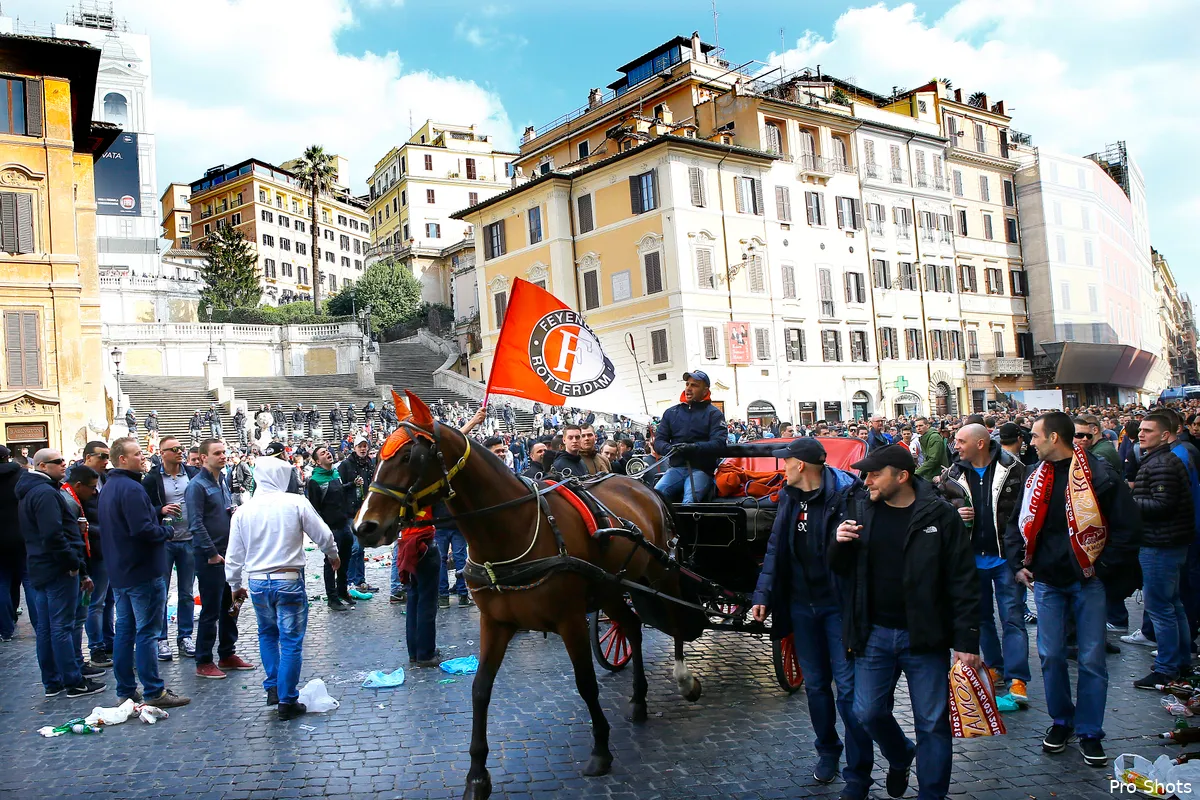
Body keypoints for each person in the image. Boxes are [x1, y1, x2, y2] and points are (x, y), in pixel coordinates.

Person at [829, 445, 981, 800]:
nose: (866, 481)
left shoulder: (940, 515)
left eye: (874, 474)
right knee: (866, 712)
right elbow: (839, 569)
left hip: (925, 637)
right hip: (874, 634)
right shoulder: (861, 508)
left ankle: (931, 795)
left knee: (932, 724)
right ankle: (900, 754)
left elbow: (963, 580)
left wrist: (967, 641)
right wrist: (838, 544)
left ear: (902, 476)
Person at [1004, 411, 1139, 767]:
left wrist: (1104, 566)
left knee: (1092, 658)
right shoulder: (1036, 476)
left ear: (1053, 438)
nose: (1030, 442)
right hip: (1047, 582)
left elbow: (1126, 527)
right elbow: (1018, 522)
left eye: (1035, 436)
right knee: (1050, 655)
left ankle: (1090, 730)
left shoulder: (1099, 474)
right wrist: (1019, 564)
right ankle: (1062, 721)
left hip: (1088, 581)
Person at [750, 439, 872, 800]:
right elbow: (775, 548)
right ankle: (827, 751)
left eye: (784, 462)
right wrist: (763, 595)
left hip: (838, 606)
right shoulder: (789, 495)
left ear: (800, 465)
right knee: (817, 686)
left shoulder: (849, 493)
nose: (780, 468)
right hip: (801, 606)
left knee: (848, 691)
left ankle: (857, 773)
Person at [226, 453, 337, 719]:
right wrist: (332, 554)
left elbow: (233, 555)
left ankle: (274, 686)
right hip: (287, 579)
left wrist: (234, 584)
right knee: (290, 641)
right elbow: (323, 534)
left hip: (257, 582)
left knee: (267, 634)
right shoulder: (295, 502)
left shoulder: (244, 511)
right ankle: (287, 699)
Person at [940, 424, 1030, 706]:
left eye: (961, 441)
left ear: (980, 443)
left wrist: (1023, 556)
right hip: (970, 558)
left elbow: (1026, 511)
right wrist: (955, 511)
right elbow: (938, 503)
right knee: (981, 618)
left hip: (1005, 557)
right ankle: (993, 666)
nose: (956, 446)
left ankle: (1017, 679)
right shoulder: (952, 473)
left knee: (1012, 618)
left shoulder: (1014, 468)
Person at [98, 438, 191, 707]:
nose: (143, 457)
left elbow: (127, 520)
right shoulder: (132, 487)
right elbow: (142, 530)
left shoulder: (111, 486)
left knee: (126, 631)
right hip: (142, 571)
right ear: (122, 459)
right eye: (137, 454)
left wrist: (154, 511)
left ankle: (126, 689)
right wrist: (167, 531)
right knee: (148, 632)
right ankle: (154, 690)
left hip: (121, 571)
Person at [18, 449, 106, 698]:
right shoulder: (46, 493)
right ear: (43, 466)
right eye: (58, 462)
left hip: (41, 565)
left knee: (47, 627)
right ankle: (73, 681)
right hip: (57, 568)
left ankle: (53, 681)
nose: (63, 465)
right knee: (61, 626)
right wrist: (73, 563)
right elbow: (53, 535)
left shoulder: (33, 491)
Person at [1130, 412, 1195, 688]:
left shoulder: (1163, 463)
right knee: (1172, 605)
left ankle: (1167, 668)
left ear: (1166, 435)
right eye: (1141, 429)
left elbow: (1162, 505)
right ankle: (1180, 662)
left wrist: (1130, 501)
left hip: (1160, 544)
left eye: (1148, 431)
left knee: (1161, 608)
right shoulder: (1159, 460)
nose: (1141, 434)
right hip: (1166, 543)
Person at [186, 439, 254, 679]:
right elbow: (195, 523)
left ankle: (227, 653)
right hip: (211, 557)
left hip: (227, 553)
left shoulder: (222, 480)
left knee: (231, 605)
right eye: (217, 453)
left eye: (224, 452)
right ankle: (203, 659)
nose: (223, 456)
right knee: (211, 609)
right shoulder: (197, 486)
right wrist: (212, 553)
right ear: (203, 457)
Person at [141, 436, 198, 661]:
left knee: (186, 593)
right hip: (164, 541)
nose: (179, 452)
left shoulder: (191, 474)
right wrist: (160, 510)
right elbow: (144, 508)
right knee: (160, 592)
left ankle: (185, 636)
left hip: (189, 539)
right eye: (173, 449)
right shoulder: (152, 479)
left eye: (181, 448)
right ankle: (161, 638)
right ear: (162, 453)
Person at [59, 464, 106, 682]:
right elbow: (68, 540)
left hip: (81, 561)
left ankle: (77, 664)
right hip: (75, 566)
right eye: (91, 488)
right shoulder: (68, 501)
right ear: (78, 485)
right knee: (74, 620)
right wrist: (81, 570)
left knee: (79, 617)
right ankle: (74, 669)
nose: (94, 492)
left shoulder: (71, 498)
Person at [653, 371, 727, 502]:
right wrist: (669, 449)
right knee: (656, 496)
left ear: (705, 391)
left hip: (701, 470)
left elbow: (719, 444)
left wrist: (693, 448)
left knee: (689, 501)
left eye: (694, 385)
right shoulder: (671, 413)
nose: (688, 388)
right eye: (687, 384)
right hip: (676, 469)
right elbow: (659, 441)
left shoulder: (714, 414)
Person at [306, 445, 357, 612]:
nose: (327, 453)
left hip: (344, 524)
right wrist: (322, 531)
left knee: (345, 560)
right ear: (317, 461)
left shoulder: (335, 474)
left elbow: (339, 491)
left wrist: (352, 485)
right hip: (331, 528)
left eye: (327, 451)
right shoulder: (315, 481)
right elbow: (315, 509)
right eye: (322, 453)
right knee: (331, 563)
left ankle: (342, 591)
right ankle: (332, 597)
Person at [338, 435, 377, 593]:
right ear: (354, 448)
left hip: (364, 510)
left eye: (364, 446)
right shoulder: (346, 465)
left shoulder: (369, 464)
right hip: (350, 511)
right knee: (354, 548)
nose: (363, 449)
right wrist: (352, 484)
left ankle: (359, 580)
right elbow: (338, 487)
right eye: (360, 446)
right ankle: (348, 580)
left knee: (360, 548)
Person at [0, 445, 29, 642]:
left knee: (1, 583)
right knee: (29, 583)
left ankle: (5, 629)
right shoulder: (21, 475)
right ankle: (40, 626)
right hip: (21, 536)